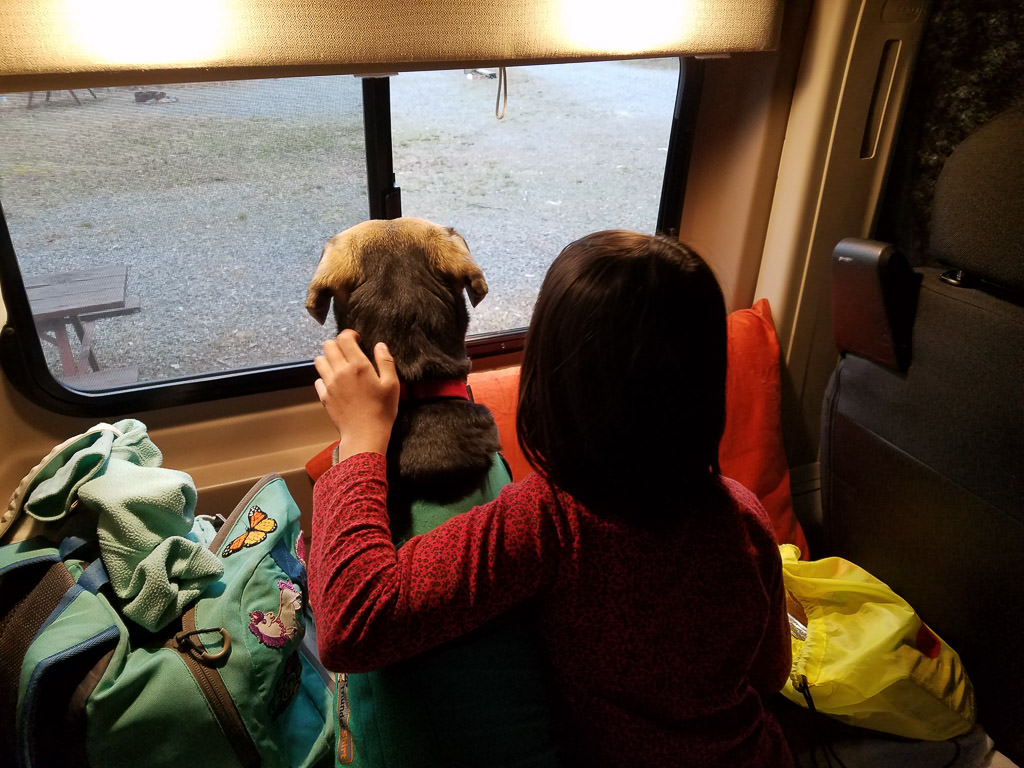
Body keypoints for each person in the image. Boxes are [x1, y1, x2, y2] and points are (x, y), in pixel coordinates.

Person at [309, 230, 794, 767]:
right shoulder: (745, 516)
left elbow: (355, 621)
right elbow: (771, 673)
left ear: (546, 373)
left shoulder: (547, 522)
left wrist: (360, 439)